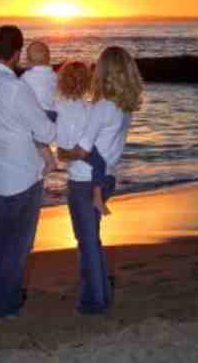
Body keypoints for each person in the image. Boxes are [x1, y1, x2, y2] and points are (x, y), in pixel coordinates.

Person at [0, 25, 57, 318]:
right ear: (17, 53)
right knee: (19, 245)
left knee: (0, 241)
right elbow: (45, 130)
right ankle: (6, 305)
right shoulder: (16, 88)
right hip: (23, 177)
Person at [58, 46, 143, 315]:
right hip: (106, 179)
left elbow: (81, 150)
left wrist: (61, 153)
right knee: (91, 239)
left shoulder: (102, 105)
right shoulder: (124, 104)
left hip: (84, 182)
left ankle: (94, 301)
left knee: (87, 242)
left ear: (104, 71)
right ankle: (100, 293)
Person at [54, 61, 110, 216]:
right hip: (82, 155)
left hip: (78, 168)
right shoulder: (90, 108)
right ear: (87, 83)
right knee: (100, 164)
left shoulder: (57, 106)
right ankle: (97, 198)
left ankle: (97, 198)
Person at [20, 40, 59, 176]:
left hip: (39, 113)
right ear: (49, 59)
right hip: (54, 114)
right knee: (40, 140)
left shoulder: (26, 77)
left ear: (28, 61)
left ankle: (50, 161)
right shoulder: (54, 75)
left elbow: (21, 95)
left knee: (35, 138)